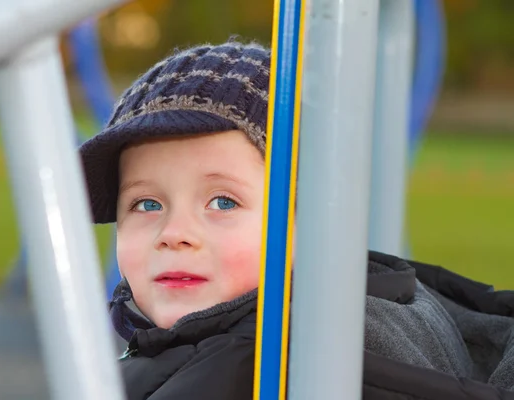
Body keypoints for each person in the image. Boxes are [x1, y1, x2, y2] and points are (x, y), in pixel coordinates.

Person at [79, 40, 514, 400]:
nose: (174, 235)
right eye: (146, 204)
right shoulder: (398, 302)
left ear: (313, 221)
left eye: (223, 202)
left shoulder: (249, 370)